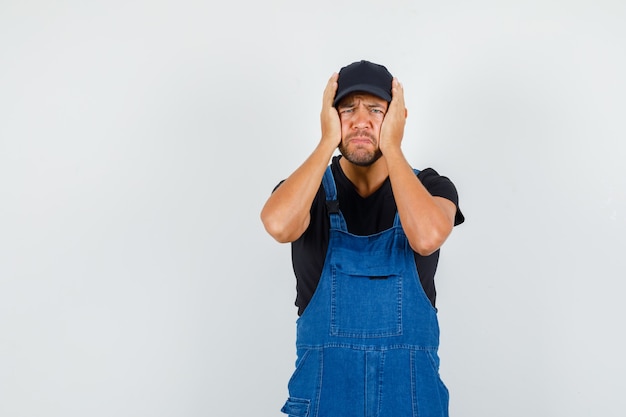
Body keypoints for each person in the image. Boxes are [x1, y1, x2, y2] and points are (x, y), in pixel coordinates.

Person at [260, 60, 464, 417]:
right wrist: (327, 142)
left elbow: (427, 237)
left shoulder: (431, 187)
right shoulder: (307, 191)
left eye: (375, 110)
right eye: (347, 109)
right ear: (330, 116)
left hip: (412, 406)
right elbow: (278, 225)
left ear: (398, 118)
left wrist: (394, 148)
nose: (360, 121)